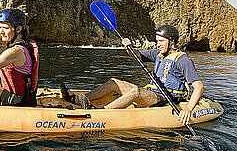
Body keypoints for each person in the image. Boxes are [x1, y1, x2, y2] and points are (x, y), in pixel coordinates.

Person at [60, 24, 203, 125]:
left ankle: (100, 113)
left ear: (171, 41)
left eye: (161, 41)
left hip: (166, 98)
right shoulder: (158, 54)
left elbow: (198, 86)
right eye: (157, 41)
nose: (157, 44)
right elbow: (138, 55)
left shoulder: (182, 60)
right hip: (152, 93)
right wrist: (129, 47)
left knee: (136, 91)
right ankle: (77, 100)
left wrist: (188, 109)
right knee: (113, 82)